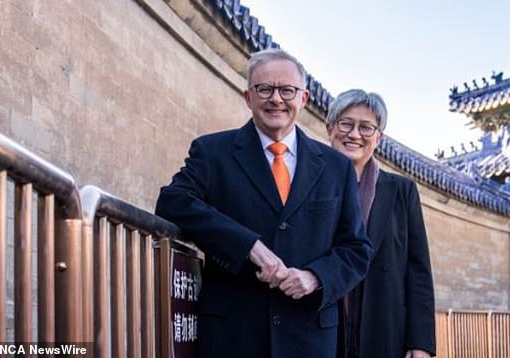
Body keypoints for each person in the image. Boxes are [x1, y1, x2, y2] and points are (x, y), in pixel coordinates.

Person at [155, 49, 372, 358]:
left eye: (287, 90)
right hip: (233, 335)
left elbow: (356, 248)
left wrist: (315, 278)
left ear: (304, 98)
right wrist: (248, 246)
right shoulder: (213, 151)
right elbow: (173, 201)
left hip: (309, 338)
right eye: (265, 89)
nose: (276, 99)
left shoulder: (337, 167)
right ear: (248, 97)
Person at [326, 89, 436, 358]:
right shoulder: (312, 184)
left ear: (379, 137)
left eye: (366, 127)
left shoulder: (401, 190)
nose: (354, 134)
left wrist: (420, 343)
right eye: (345, 123)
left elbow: (418, 269)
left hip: (385, 325)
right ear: (330, 128)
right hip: (325, 322)